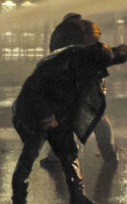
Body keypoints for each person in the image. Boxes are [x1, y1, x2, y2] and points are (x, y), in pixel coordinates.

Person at [10, 19, 127, 204]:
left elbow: (108, 57)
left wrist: (122, 53)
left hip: (58, 113)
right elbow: (33, 89)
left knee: (69, 154)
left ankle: (78, 197)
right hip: (34, 114)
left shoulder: (86, 56)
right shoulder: (63, 60)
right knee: (28, 157)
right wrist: (46, 115)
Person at [39, 13, 120, 165]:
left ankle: (58, 156)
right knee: (97, 115)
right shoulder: (90, 27)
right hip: (94, 74)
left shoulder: (61, 31)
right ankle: (110, 153)